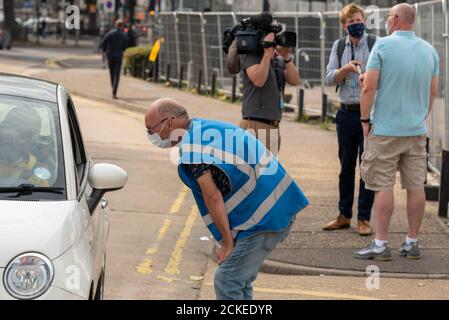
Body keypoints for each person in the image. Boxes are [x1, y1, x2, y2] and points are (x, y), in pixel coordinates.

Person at [145, 98, 309, 300]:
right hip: (278, 206)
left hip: (262, 218)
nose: (150, 135)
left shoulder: (193, 149)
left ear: (169, 123)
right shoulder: (203, 128)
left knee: (227, 280)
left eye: (150, 129)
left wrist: (228, 244)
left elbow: (213, 198)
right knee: (239, 281)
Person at [354, 3, 439, 260]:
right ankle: (412, 242)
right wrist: (420, 115)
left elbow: (369, 88)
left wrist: (364, 119)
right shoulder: (430, 51)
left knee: (382, 185)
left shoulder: (383, 45)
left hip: (385, 129)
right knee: (416, 186)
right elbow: (432, 91)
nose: (386, 21)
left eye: (389, 17)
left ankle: (380, 244)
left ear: (396, 19)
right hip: (415, 130)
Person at [323, 3, 376, 236]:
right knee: (346, 167)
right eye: (352, 23)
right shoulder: (338, 46)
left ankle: (364, 219)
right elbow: (328, 78)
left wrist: (368, 78)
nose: (357, 26)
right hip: (345, 113)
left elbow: (383, 75)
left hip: (369, 115)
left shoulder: (375, 44)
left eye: (359, 21)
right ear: (345, 26)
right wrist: (345, 69)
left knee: (367, 167)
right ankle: (344, 215)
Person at [239, 22, 300, 154]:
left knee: (267, 172)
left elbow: (294, 80)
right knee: (252, 172)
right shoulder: (253, 57)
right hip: (255, 124)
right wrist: (267, 54)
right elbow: (259, 80)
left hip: (272, 126)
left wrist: (287, 57)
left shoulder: (278, 61)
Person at [0, 106, 48, 187]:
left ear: (32, 139)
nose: (13, 137)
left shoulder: (39, 176)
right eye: (9, 126)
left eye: (22, 133)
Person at [101, 20, 128, 99]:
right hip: (118, 56)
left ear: (116, 25)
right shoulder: (123, 35)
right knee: (117, 74)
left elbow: (104, 42)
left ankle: (113, 87)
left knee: (111, 73)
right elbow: (125, 46)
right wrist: (121, 51)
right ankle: (114, 91)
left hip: (110, 55)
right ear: (122, 26)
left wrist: (105, 51)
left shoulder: (110, 33)